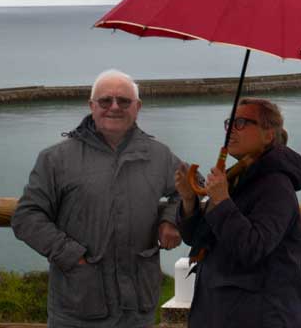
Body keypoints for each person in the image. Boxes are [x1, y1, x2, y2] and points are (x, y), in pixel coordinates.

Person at [12, 69, 184, 327]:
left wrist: (171, 219)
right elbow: (26, 217)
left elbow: (191, 188)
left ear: (137, 107)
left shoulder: (159, 156)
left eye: (124, 101)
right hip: (77, 307)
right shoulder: (56, 159)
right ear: (91, 106)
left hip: (137, 308)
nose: (114, 107)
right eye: (105, 101)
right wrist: (70, 255)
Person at [175, 97, 301, 328]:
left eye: (241, 123)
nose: (231, 131)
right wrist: (189, 200)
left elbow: (253, 248)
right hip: (223, 310)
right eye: (230, 123)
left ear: (268, 135)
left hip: (259, 314)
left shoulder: (276, 185)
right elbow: (197, 237)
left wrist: (222, 199)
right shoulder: (239, 176)